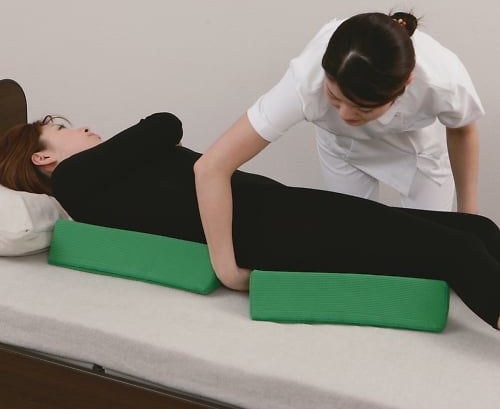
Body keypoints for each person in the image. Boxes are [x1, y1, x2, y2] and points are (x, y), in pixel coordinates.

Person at [0, 112, 499, 330]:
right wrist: (153, 140)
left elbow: (160, 136)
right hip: (282, 231)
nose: (84, 127)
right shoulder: (76, 181)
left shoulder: (101, 177)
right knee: (455, 251)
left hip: (289, 211)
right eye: (61, 129)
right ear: (43, 159)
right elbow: (164, 124)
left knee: (475, 229)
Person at [193, 10, 485, 291]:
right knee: (352, 245)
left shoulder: (442, 78)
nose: (344, 114)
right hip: (343, 150)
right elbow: (211, 167)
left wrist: (468, 218)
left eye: (362, 108)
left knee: (430, 255)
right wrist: (228, 272)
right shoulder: (305, 81)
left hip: (419, 152)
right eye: (334, 97)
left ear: (406, 84)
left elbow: (462, 130)